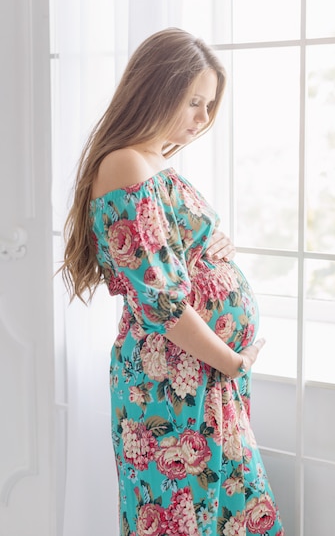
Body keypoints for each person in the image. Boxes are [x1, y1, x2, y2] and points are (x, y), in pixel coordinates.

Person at [61, 28, 284, 536]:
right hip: (170, 379)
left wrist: (216, 246)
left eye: (209, 105)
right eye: (193, 102)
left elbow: (170, 256)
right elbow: (159, 302)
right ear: (155, 91)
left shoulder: (153, 161)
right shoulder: (125, 163)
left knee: (218, 511)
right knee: (181, 517)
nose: (204, 119)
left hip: (196, 373)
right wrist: (232, 361)